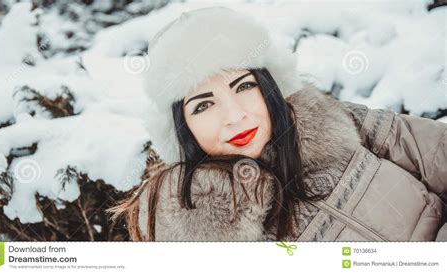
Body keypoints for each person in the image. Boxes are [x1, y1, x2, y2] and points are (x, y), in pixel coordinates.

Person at [109, 7, 447, 241]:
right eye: (204, 105)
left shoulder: (337, 121)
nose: (234, 115)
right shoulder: (187, 223)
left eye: (244, 86)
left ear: (269, 86)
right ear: (182, 128)